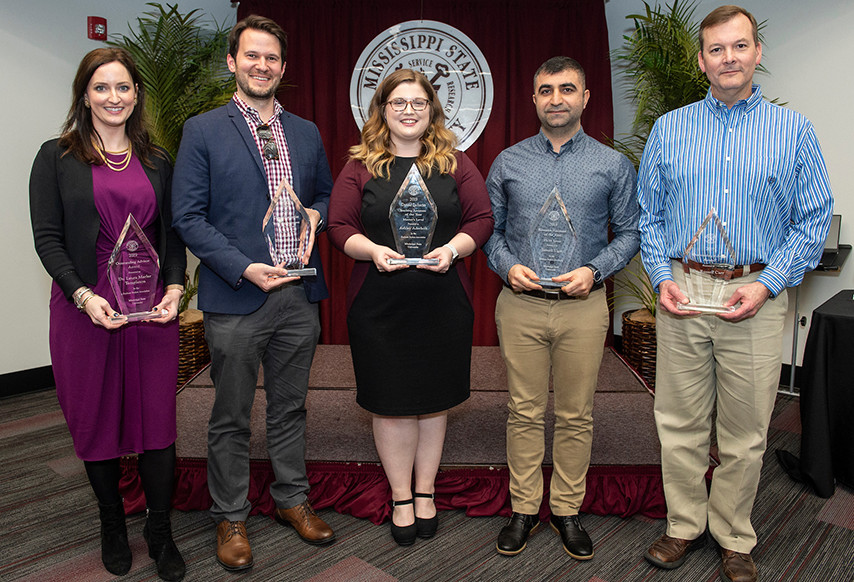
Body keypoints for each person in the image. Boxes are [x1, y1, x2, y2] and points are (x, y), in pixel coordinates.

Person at [637, 6, 833, 582]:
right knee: (678, 421)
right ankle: (682, 527)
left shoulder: (793, 131)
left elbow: (813, 220)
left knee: (745, 431)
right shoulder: (670, 129)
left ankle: (733, 536)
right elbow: (648, 216)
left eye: (739, 46)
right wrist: (661, 277)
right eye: (717, 49)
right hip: (683, 289)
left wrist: (769, 284)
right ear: (702, 60)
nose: (729, 58)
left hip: (755, 292)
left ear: (757, 53)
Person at [172, 15, 335, 572]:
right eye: (251, 56)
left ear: (282, 68)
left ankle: (292, 500)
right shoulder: (204, 129)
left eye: (271, 59)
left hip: (298, 293)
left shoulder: (308, 132)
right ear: (232, 62)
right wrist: (243, 267)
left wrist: (316, 213)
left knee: (291, 407)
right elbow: (187, 216)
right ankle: (231, 514)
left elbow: (327, 193)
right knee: (231, 414)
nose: (261, 66)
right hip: (238, 295)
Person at [29, 48, 187, 581]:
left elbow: (172, 237)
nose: (113, 97)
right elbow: (48, 240)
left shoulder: (159, 160)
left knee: (157, 426)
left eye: (123, 88)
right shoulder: (56, 157)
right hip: (84, 311)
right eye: (101, 88)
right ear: (84, 95)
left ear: (136, 95)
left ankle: (160, 531)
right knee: (96, 423)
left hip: (150, 315)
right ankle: (112, 522)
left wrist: (174, 288)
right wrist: (83, 296)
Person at [327, 69, 493, 546]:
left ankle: (426, 491)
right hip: (379, 305)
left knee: (433, 400)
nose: (408, 110)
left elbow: (482, 217)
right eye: (398, 102)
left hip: (443, 302)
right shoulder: (360, 165)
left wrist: (455, 249)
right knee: (392, 402)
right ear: (382, 109)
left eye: (418, 103)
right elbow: (339, 225)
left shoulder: (455, 163)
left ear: (432, 111)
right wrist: (372, 250)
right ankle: (401, 495)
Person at [484, 56, 640, 560]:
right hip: (521, 305)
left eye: (567, 89)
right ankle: (525, 508)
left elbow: (631, 231)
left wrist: (596, 270)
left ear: (585, 97)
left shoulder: (612, 164)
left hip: (583, 307)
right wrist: (506, 266)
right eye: (546, 90)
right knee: (523, 411)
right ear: (533, 99)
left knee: (576, 414)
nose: (557, 99)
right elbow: (490, 231)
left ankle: (567, 509)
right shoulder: (508, 161)